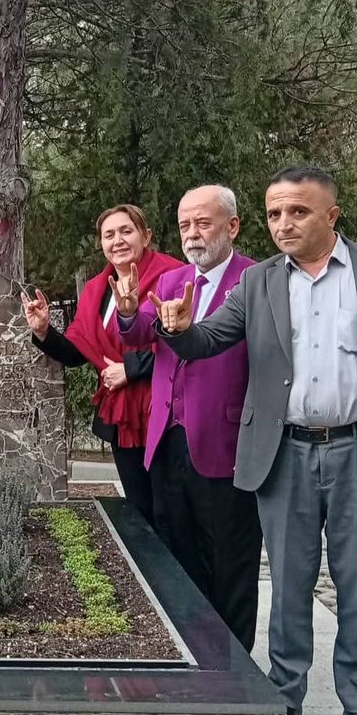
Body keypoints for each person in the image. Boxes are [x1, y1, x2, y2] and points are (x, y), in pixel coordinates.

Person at [150, 167, 357, 715]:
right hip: (284, 453)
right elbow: (207, 341)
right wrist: (178, 327)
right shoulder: (260, 282)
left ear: (331, 215)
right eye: (274, 214)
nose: (283, 224)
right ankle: (287, 692)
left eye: (297, 212)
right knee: (290, 583)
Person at [114, 185, 261, 650]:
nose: (193, 234)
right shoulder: (174, 281)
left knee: (229, 560)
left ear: (232, 226)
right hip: (168, 441)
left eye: (203, 223)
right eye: (184, 225)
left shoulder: (255, 282)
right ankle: (191, 653)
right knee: (178, 551)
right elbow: (141, 333)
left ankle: (236, 665)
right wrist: (126, 309)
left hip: (225, 442)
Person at [22, 204, 180, 525]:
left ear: (145, 236)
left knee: (172, 510)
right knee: (140, 508)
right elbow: (78, 353)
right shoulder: (96, 290)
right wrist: (42, 330)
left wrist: (131, 368)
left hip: (166, 414)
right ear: (101, 243)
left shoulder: (173, 276)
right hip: (123, 419)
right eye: (109, 235)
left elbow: (182, 343)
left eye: (126, 231)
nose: (117, 240)